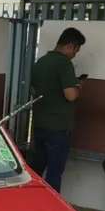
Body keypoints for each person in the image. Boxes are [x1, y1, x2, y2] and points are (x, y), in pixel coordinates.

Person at [30, 27, 86, 193]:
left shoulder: (41, 62)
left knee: (36, 170)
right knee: (54, 174)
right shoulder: (64, 63)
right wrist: (79, 86)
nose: (75, 54)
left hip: (40, 124)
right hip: (58, 128)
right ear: (70, 45)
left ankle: (32, 206)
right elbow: (70, 95)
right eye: (76, 50)